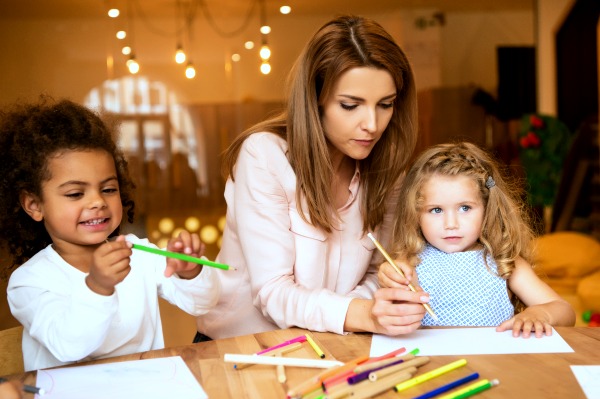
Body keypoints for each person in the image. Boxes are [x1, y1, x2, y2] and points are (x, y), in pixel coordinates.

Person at [195, 15, 426, 341]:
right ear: (315, 100)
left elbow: (376, 271)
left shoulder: (388, 169)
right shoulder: (264, 156)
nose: (372, 124)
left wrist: (385, 295)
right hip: (240, 346)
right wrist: (363, 313)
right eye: (350, 105)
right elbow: (273, 292)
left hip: (329, 342)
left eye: (385, 105)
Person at [0, 97, 220, 371]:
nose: (97, 202)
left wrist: (191, 273)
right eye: (75, 193)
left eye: (108, 189)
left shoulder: (138, 252)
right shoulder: (30, 282)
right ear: (34, 205)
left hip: (148, 391)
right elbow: (68, 346)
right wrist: (97, 287)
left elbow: (204, 304)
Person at [378, 142, 576, 338]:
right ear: (415, 214)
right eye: (436, 210)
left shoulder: (504, 263)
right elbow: (388, 314)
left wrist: (540, 313)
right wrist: (395, 283)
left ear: (487, 207)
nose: (451, 223)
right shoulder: (409, 263)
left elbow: (565, 311)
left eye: (465, 208)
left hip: (493, 364)